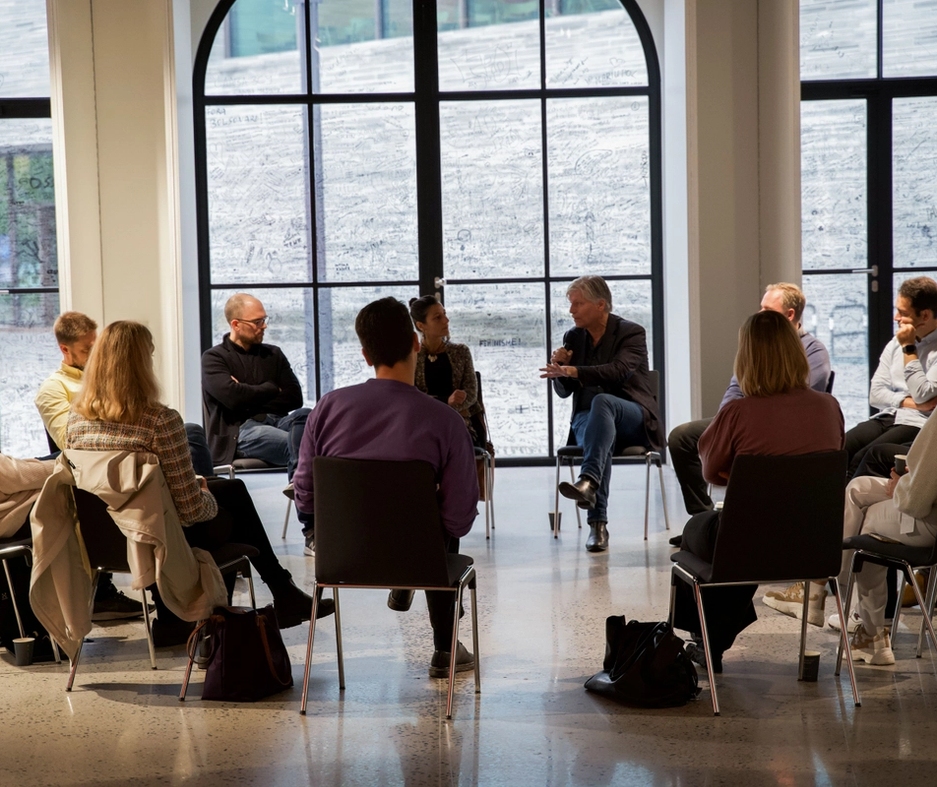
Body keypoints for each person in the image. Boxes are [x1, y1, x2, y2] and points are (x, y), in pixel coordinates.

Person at [67, 320, 332, 646]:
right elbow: (192, 513)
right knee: (228, 504)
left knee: (230, 489)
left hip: (106, 541)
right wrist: (204, 493)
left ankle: (177, 617)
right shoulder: (158, 421)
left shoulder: (75, 421)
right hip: (158, 538)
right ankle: (276, 594)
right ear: (140, 365)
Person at [292, 297, 478, 679]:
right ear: (414, 342)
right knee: (439, 527)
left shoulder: (327, 409)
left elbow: (305, 492)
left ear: (364, 354)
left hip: (340, 558)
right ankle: (445, 647)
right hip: (420, 556)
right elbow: (459, 517)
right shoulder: (445, 421)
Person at [671, 310, 844, 673]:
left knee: (702, 533)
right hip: (814, 546)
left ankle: (706, 643)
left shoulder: (738, 412)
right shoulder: (830, 407)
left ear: (746, 357)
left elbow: (710, 472)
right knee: (740, 538)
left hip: (749, 543)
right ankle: (711, 639)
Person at [667, 283, 831, 521]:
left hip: (776, 423)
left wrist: (739, 415)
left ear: (790, 314)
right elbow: (736, 386)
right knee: (681, 437)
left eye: (767, 308)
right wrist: (727, 417)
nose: (760, 313)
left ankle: (716, 526)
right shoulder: (831, 407)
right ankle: (704, 515)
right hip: (743, 417)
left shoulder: (814, 351)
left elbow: (801, 392)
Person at [540, 276, 663, 553]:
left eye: (578, 304)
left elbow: (619, 371)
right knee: (599, 432)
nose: (571, 311)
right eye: (571, 304)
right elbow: (564, 391)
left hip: (631, 415)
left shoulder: (631, 333)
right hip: (589, 422)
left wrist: (575, 370)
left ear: (601, 305)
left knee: (603, 403)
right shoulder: (573, 337)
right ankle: (594, 509)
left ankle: (591, 495)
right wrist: (560, 368)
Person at [836, 411, 937, 665]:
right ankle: (832, 585)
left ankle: (869, 632)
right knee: (858, 488)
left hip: (929, 524)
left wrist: (901, 485)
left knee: (869, 522)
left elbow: (915, 500)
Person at [201, 293, 310, 477]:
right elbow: (233, 398)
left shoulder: (273, 354)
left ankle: (299, 487)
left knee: (305, 415)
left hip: (278, 421)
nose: (264, 326)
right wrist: (272, 388)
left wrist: (246, 393)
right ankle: (302, 491)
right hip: (241, 431)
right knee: (302, 444)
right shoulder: (214, 358)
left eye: (264, 320)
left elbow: (294, 397)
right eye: (257, 322)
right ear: (236, 324)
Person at [842, 276, 937, 477]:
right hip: (889, 414)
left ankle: (843, 507)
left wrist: (909, 348)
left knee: (862, 456)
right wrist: (908, 402)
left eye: (903, 313)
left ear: (925, 315)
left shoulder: (909, 343)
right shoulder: (896, 342)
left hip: (916, 422)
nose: (896, 318)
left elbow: (923, 394)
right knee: (841, 447)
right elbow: (875, 394)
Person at [409, 295, 487, 449]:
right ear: (420, 325)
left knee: (453, 443)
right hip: (424, 424)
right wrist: (446, 402)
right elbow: (412, 397)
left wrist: (451, 407)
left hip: (462, 422)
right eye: (438, 317)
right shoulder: (411, 357)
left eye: (444, 314)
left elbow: (471, 392)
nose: (446, 320)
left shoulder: (461, 351)